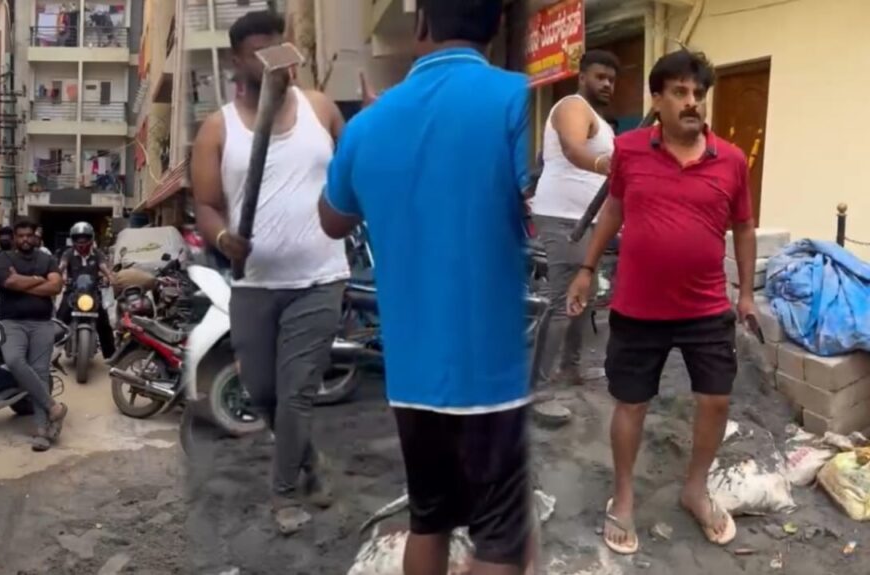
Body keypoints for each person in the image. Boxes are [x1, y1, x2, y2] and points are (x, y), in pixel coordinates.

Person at [318, 1, 533, 573]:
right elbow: (538, 200)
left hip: (412, 377)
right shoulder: (518, 99)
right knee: (500, 540)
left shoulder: (368, 126)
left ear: (420, 25)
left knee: (429, 520)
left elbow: (332, 219)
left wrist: (369, 141)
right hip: (493, 377)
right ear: (495, 27)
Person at [567, 49, 757, 555]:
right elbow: (614, 208)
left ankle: (695, 489)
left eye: (698, 93)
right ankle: (624, 497)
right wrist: (586, 269)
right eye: (679, 92)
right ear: (657, 99)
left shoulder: (731, 160)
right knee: (632, 402)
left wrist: (745, 294)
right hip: (638, 307)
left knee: (715, 399)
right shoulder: (629, 150)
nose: (692, 102)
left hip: (705, 308)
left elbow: (743, 227)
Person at [190, 9, 350, 535]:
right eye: (258, 53)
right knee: (263, 392)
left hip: (320, 278)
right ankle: (310, 460)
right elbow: (207, 205)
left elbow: (354, 168)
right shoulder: (218, 128)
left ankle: (283, 494)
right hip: (254, 283)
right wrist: (222, 239)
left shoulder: (321, 110)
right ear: (237, 61)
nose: (272, 60)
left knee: (296, 390)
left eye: (277, 47)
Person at [530, 50, 619, 387]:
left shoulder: (601, 122)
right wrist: (603, 164)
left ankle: (570, 368)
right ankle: (536, 383)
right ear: (582, 77)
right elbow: (572, 148)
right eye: (600, 77)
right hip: (564, 217)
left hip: (589, 220)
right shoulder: (572, 106)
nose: (607, 84)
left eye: (611, 80)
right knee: (563, 299)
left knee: (587, 293)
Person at [0, 220, 69, 452]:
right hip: (12, 322)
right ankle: (53, 407)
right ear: (15, 238)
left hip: (42, 323)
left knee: (40, 372)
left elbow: (56, 287)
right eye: (21, 236)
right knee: (13, 360)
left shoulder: (47, 259)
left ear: (35, 237)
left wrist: (24, 282)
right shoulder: (5, 258)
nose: (25, 239)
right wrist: (40, 281)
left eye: (29, 235)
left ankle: (41, 431)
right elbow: (9, 281)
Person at [57, 222, 117, 360]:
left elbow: (104, 267)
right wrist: (59, 276)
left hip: (93, 292)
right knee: (60, 320)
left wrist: (110, 277)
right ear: (73, 239)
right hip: (72, 291)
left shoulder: (97, 254)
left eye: (85, 238)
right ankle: (52, 353)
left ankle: (111, 357)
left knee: (104, 323)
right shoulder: (68, 253)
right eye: (78, 238)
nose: (81, 242)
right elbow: (62, 267)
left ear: (91, 238)